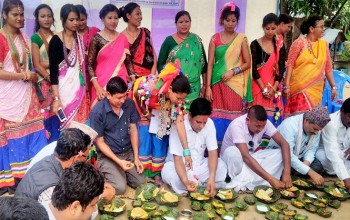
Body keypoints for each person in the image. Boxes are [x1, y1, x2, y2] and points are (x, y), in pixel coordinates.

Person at [0, 0, 47, 195]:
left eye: (21, 15)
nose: (19, 18)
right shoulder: (1, 39)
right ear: (4, 15)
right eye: (15, 15)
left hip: (27, 95)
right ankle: (12, 180)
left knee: (34, 132)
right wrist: (24, 76)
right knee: (11, 137)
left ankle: (32, 174)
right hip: (8, 96)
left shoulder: (25, 38)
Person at [15, 128, 114, 203]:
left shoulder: (54, 159)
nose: (86, 160)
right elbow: (65, 212)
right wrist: (100, 196)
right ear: (76, 157)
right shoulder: (50, 189)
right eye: (86, 157)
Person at [133, 61, 191, 186]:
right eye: (179, 98)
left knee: (160, 137)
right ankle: (143, 172)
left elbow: (180, 124)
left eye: (183, 99)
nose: (181, 101)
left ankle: (156, 174)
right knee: (145, 138)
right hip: (144, 105)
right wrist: (145, 112)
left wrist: (186, 151)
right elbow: (137, 93)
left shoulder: (177, 103)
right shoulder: (152, 85)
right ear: (170, 89)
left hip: (162, 108)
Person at [205, 2, 252, 145]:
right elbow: (210, 64)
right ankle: (216, 149)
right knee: (216, 116)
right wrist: (207, 87)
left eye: (233, 21)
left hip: (235, 85)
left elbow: (247, 63)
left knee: (235, 118)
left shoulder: (241, 39)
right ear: (222, 20)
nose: (230, 24)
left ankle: (233, 146)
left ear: (237, 21)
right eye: (227, 20)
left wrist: (233, 71)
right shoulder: (215, 39)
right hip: (217, 84)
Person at [90, 76, 145, 194]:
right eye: (119, 97)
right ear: (108, 95)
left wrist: (136, 157)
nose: (123, 100)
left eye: (125, 95)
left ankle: (120, 172)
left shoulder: (129, 104)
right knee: (120, 188)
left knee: (140, 183)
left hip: (127, 152)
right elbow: (100, 142)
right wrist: (119, 162)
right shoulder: (97, 112)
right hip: (108, 156)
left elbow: (134, 129)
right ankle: (108, 173)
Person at [162, 98, 227, 195]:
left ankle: (203, 183)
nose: (201, 126)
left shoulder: (210, 124)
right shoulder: (179, 125)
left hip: (199, 167)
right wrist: (185, 180)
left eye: (204, 122)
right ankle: (197, 184)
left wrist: (212, 178)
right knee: (171, 176)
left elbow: (212, 153)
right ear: (190, 116)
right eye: (198, 122)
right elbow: (177, 159)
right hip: (179, 167)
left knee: (221, 166)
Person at [221, 105, 292, 191]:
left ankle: (244, 182)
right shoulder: (237, 126)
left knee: (280, 153)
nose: (261, 129)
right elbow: (245, 157)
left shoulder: (264, 123)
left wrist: (286, 172)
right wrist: (270, 179)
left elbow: (284, 144)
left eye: (263, 126)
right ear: (248, 120)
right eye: (257, 126)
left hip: (251, 158)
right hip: (232, 161)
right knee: (233, 152)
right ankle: (242, 181)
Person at [283, 15, 337, 117]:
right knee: (298, 122)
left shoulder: (324, 45)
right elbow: (290, 64)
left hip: (316, 90)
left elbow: (328, 68)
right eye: (321, 27)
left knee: (312, 122)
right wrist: (286, 86)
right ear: (311, 29)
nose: (323, 29)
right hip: (299, 89)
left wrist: (333, 86)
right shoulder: (299, 43)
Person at [48, 4, 90, 129]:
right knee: (67, 124)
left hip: (80, 89)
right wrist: (56, 98)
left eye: (77, 19)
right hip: (64, 90)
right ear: (63, 20)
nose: (75, 23)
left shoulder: (79, 39)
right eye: (71, 20)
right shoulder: (55, 41)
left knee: (82, 126)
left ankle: (83, 148)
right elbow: (54, 72)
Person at [268, 105, 330, 185]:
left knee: (318, 166)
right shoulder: (290, 125)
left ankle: (295, 172)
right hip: (282, 156)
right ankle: (290, 172)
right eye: (315, 129)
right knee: (282, 163)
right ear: (307, 121)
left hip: (299, 157)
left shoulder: (316, 130)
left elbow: (312, 149)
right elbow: (288, 154)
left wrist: (306, 163)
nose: (316, 133)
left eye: (318, 130)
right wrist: (309, 171)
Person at [157, 10, 208, 108]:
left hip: (194, 89)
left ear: (190, 23)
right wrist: (166, 83)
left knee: (193, 115)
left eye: (187, 21)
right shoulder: (169, 41)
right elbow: (160, 63)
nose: (184, 24)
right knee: (175, 115)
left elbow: (203, 64)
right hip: (176, 89)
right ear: (176, 24)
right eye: (181, 22)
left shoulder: (196, 40)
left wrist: (205, 86)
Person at [87, 4, 134, 108]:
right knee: (100, 114)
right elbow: (89, 64)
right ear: (102, 19)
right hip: (100, 82)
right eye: (110, 18)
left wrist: (134, 79)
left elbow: (128, 61)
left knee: (119, 111)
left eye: (116, 18)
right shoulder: (96, 39)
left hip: (120, 82)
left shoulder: (122, 38)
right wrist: (97, 86)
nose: (113, 21)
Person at [31, 4, 60, 143]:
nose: (46, 19)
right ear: (37, 18)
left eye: (49, 16)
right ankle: (47, 144)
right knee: (46, 114)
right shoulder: (35, 38)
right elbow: (36, 64)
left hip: (57, 82)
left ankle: (59, 142)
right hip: (44, 82)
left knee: (58, 111)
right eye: (43, 16)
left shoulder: (56, 36)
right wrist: (50, 77)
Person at [250, 13, 286, 125]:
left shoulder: (279, 45)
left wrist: (273, 88)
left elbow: (281, 68)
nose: (270, 32)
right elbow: (253, 70)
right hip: (258, 86)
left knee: (272, 119)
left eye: (273, 29)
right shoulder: (255, 44)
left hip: (273, 88)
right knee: (256, 116)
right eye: (267, 29)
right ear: (263, 27)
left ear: (277, 27)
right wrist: (264, 89)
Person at [316, 98, 350, 192]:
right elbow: (332, 152)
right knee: (332, 163)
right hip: (327, 152)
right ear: (342, 111)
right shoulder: (331, 122)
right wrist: (346, 180)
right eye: (349, 116)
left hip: (345, 153)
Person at [120, 2, 157, 77]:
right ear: (128, 16)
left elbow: (154, 56)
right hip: (129, 81)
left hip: (148, 80)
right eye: (137, 14)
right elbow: (121, 63)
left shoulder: (145, 32)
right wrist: (131, 80)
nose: (140, 17)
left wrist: (151, 77)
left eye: (141, 14)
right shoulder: (121, 37)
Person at [75, 4, 99, 93]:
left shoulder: (95, 31)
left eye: (83, 20)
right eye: (77, 20)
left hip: (95, 72)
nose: (80, 23)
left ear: (87, 18)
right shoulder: (72, 35)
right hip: (78, 74)